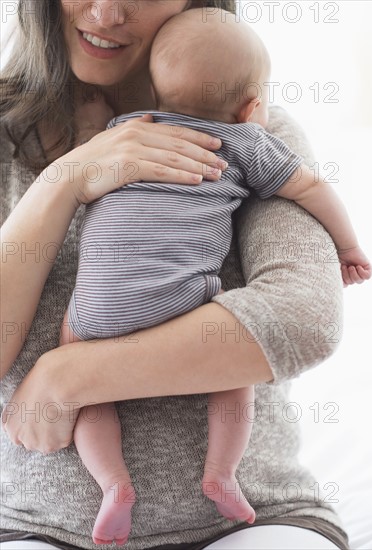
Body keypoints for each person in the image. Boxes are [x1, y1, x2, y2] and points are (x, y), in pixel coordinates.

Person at [0, 1, 351, 549]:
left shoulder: (245, 134)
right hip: (39, 529)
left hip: (257, 519)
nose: (106, 11)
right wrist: (65, 179)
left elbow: (303, 320)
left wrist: (69, 376)